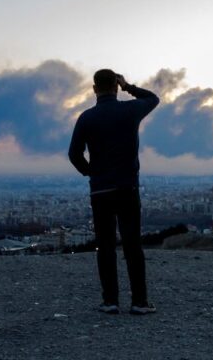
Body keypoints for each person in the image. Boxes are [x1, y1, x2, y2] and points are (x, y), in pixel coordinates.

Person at [68, 69, 160, 315]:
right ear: (116, 86)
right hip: (127, 187)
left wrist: (91, 173)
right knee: (132, 245)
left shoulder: (86, 118)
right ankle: (139, 302)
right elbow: (153, 99)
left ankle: (110, 301)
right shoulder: (130, 111)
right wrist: (129, 86)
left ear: (94, 88)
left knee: (105, 246)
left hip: (100, 191)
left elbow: (73, 154)